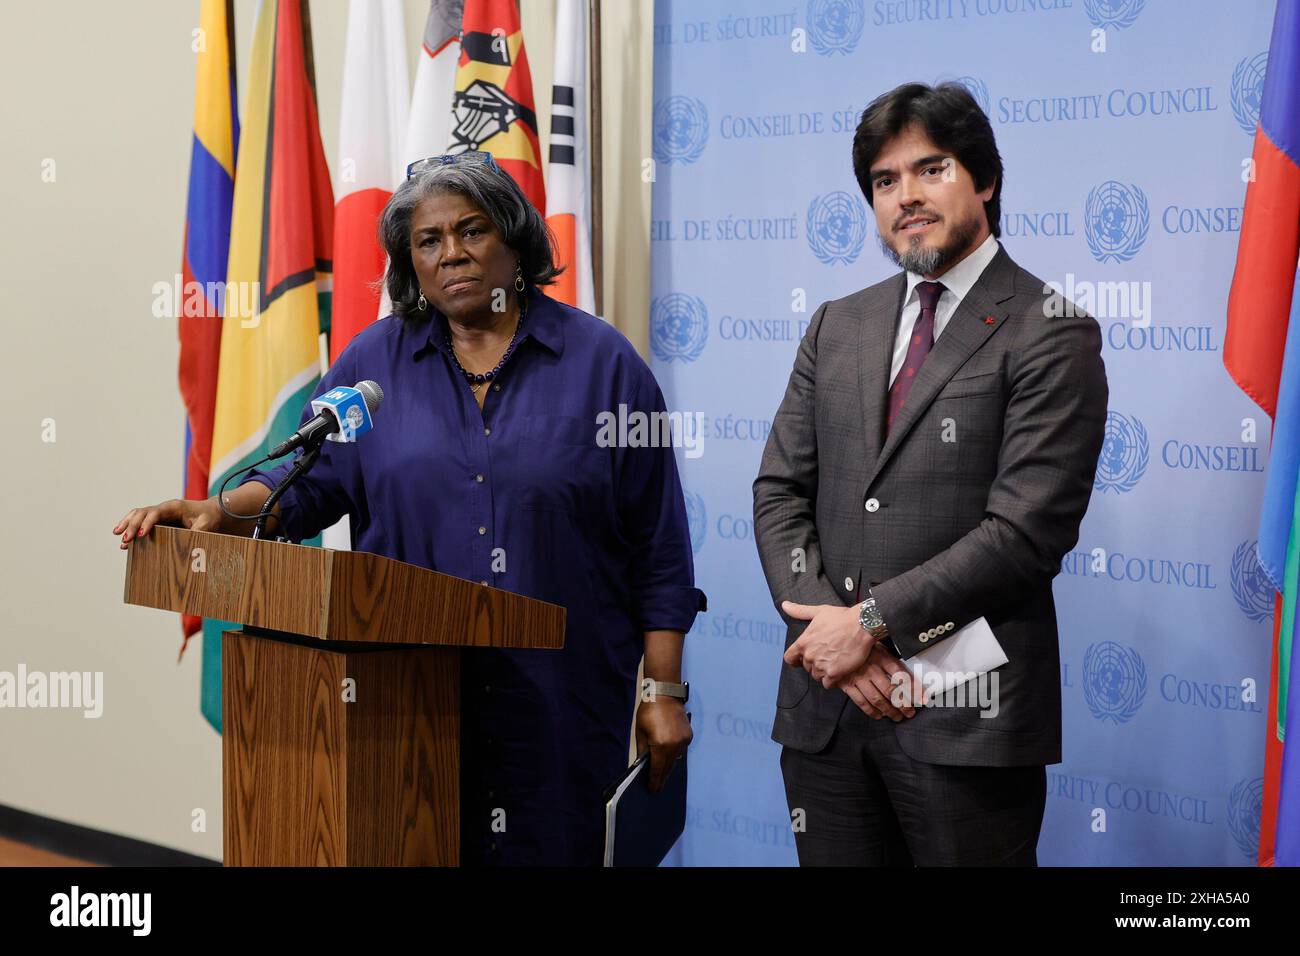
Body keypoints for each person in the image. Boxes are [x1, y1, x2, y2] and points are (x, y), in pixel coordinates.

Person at [114, 151, 705, 866]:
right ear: (409, 261)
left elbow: (659, 546)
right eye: (429, 240)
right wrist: (222, 510)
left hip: (561, 711)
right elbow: (307, 478)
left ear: (514, 241)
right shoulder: (373, 367)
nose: (452, 252)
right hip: (403, 713)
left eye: (472, 230)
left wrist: (663, 690)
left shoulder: (604, 366)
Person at [752, 82, 1108, 866]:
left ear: (984, 180)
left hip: (964, 717)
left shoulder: (1052, 330)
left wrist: (870, 626)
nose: (906, 196)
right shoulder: (836, 324)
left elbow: (1023, 535)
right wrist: (828, 636)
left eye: (931, 168)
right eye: (884, 181)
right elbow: (780, 490)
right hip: (828, 712)